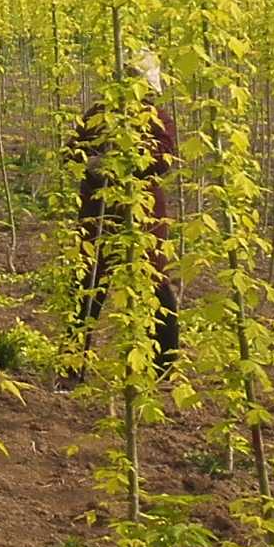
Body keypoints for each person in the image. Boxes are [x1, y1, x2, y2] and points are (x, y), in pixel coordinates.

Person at [73, 51, 181, 371]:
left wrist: (128, 159)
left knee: (154, 281)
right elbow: (72, 149)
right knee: (90, 285)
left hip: (143, 213)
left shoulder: (156, 118)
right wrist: (92, 163)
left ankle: (163, 363)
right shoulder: (98, 114)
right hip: (99, 211)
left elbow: (164, 157)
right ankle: (72, 365)